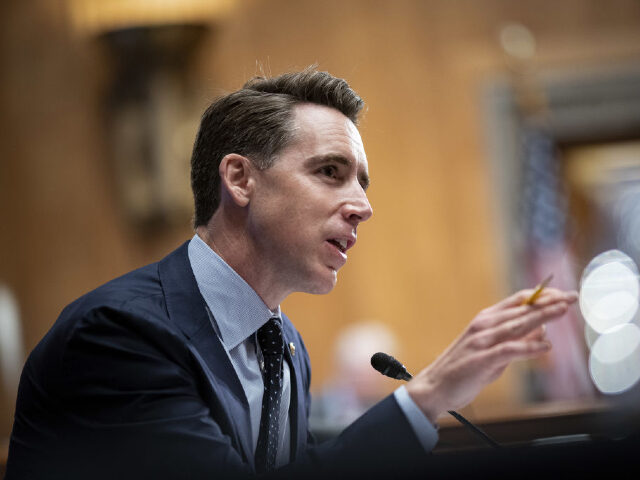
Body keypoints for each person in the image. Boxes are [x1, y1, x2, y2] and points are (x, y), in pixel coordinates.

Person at [5, 68, 577, 479]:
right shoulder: (117, 335)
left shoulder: (283, 345)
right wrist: (425, 396)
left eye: (362, 182)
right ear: (240, 180)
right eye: (331, 171)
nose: (362, 205)